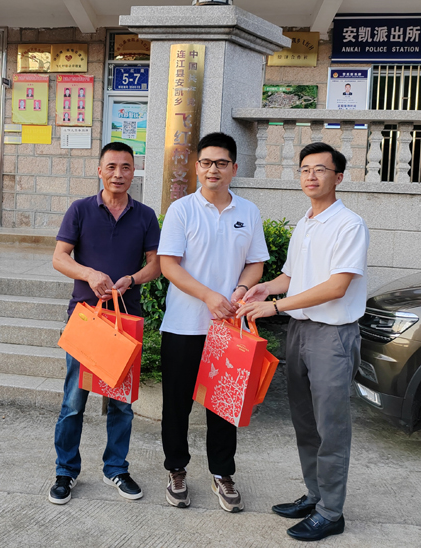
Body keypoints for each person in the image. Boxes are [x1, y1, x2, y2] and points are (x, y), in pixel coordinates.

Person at [237, 142, 369, 542]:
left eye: (320, 169)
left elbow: (336, 286)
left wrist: (276, 307)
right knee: (305, 421)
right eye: (305, 169)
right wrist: (265, 289)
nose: (311, 176)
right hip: (300, 332)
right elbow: (292, 277)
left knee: (331, 426)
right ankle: (315, 495)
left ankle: (331, 512)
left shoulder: (349, 224)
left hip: (332, 336)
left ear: (338, 177)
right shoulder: (306, 223)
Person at [157, 132, 269, 513]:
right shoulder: (182, 210)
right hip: (183, 325)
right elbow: (169, 265)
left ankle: (222, 473)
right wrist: (208, 296)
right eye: (206, 163)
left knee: (223, 408)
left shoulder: (248, 212)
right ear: (197, 167)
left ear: (234, 168)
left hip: (228, 331)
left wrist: (242, 288)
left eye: (221, 163)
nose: (212, 170)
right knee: (176, 406)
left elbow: (256, 262)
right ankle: (176, 469)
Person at [49, 141, 161, 506]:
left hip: (125, 322)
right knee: (73, 402)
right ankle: (65, 471)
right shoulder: (80, 209)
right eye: (111, 166)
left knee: (121, 404)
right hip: (86, 320)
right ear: (99, 170)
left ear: (134, 172)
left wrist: (133, 278)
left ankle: (116, 468)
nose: (118, 174)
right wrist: (89, 273)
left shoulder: (145, 216)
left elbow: (156, 264)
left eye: (126, 167)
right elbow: (60, 258)